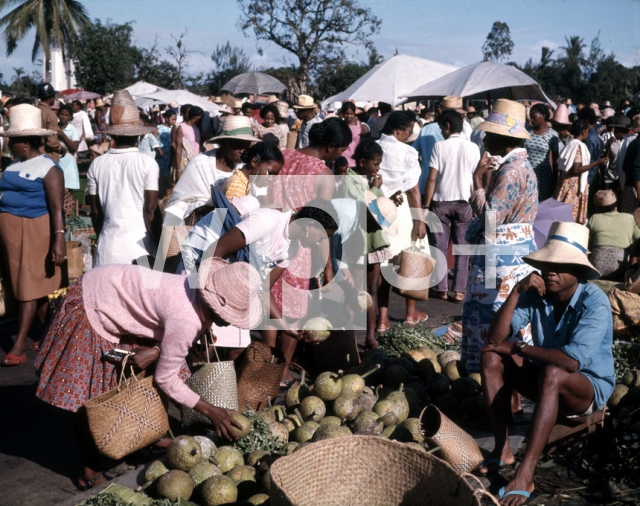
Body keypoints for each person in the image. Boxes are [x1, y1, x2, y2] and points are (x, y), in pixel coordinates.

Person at [35, 257, 264, 489]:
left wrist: (156, 351)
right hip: (94, 300)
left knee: (139, 373)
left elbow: (165, 317)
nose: (231, 323)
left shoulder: (194, 290)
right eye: (232, 316)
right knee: (91, 396)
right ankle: (89, 470)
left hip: (115, 290)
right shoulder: (186, 319)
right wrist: (211, 411)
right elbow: (167, 378)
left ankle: (145, 436)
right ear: (216, 305)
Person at [479, 222, 614, 505]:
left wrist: (519, 347)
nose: (551, 271)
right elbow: (494, 338)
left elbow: (570, 362)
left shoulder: (595, 302)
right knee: (492, 356)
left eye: (561, 265)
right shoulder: (535, 294)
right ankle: (502, 449)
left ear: (578, 270)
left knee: (554, 372)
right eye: (547, 264)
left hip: (584, 390)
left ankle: (525, 474)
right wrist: (516, 291)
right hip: (546, 380)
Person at [268, 117, 351, 383]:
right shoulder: (322, 174)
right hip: (302, 241)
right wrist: (328, 268)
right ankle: (281, 371)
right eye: (340, 150)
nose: (340, 156)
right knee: (295, 309)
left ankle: (265, 366)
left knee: (271, 304)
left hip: (273, 232)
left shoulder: (284, 154)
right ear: (330, 147)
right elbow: (320, 221)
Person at [462, 99, 539, 375]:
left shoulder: (511, 170)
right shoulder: (521, 167)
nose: (484, 139)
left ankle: (503, 392)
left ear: (503, 137)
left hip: (502, 259)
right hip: (514, 254)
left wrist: (478, 182)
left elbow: (492, 219)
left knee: (496, 324)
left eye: (489, 133)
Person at [0, 104, 65, 365]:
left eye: (12, 142)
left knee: (27, 286)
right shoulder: (14, 165)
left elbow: (57, 208)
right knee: (26, 285)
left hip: (34, 230)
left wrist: (58, 239)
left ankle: (19, 345)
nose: (9, 147)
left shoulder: (49, 168)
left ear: (24, 143)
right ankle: (53, 333)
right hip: (10, 232)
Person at [87, 90, 161, 267]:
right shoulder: (147, 163)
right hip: (140, 249)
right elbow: (150, 211)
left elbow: (96, 212)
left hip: (108, 247)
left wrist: (102, 234)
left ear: (112, 134)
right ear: (138, 134)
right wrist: (161, 247)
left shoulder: (97, 164)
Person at [339, 140, 396, 348]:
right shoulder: (349, 181)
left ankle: (370, 336)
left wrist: (389, 199)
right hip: (357, 241)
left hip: (373, 240)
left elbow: (380, 208)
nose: (378, 168)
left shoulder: (371, 179)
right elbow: (362, 209)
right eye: (375, 164)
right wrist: (374, 188)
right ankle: (347, 338)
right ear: (362, 162)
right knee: (354, 291)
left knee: (372, 289)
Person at [376, 110, 427, 329]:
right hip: (403, 210)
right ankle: (410, 313)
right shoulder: (407, 152)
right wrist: (421, 220)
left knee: (381, 265)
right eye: (409, 130)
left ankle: (382, 319)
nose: (410, 135)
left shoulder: (375, 146)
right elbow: (414, 190)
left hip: (377, 210)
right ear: (398, 130)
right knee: (412, 260)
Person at [423, 109, 480, 303]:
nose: (441, 131)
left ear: (447, 126)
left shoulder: (439, 146)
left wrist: (425, 204)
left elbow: (432, 178)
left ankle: (442, 289)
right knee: (462, 247)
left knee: (439, 245)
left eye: (441, 127)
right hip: (464, 202)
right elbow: (475, 177)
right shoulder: (473, 148)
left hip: (441, 201)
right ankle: (460, 290)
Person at [165, 116, 261, 224]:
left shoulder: (244, 168)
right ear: (224, 142)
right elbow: (178, 201)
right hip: (199, 227)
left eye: (246, 146)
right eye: (238, 145)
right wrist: (206, 207)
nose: (243, 151)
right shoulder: (200, 163)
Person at [553, 120, 608, 225]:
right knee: (568, 219)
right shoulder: (578, 147)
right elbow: (576, 169)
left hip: (565, 183)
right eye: (587, 130)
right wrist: (597, 163)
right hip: (573, 186)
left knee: (562, 217)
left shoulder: (570, 143)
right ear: (583, 131)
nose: (587, 132)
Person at [587, 190, 640, 280]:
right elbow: (638, 240)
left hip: (597, 265)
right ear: (616, 205)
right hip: (620, 265)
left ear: (598, 208)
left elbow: (589, 244)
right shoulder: (629, 218)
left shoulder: (594, 218)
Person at [523, 104, 560, 202]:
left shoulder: (552, 135)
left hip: (544, 176)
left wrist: (555, 181)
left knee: (541, 204)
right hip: (527, 174)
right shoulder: (526, 132)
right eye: (530, 117)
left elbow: (556, 159)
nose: (531, 120)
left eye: (534, 117)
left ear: (543, 116)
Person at [413, 103, 444, 206]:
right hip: (448, 190)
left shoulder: (426, 129)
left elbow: (413, 152)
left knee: (428, 219)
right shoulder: (460, 132)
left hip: (425, 185)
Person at [173, 105, 204, 184]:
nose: (201, 120)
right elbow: (178, 149)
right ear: (194, 117)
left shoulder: (196, 129)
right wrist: (178, 170)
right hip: (185, 163)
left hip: (195, 163)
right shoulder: (181, 128)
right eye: (200, 117)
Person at [56, 104, 81, 191]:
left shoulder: (73, 130)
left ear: (70, 117)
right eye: (62, 114)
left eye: (66, 115)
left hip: (68, 163)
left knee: (67, 191)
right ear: (58, 114)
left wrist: (64, 136)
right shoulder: (54, 127)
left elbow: (74, 147)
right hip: (55, 161)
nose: (63, 117)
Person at [36, 82, 61, 162]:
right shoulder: (51, 114)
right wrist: (61, 148)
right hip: (48, 156)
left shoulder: (34, 110)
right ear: (51, 98)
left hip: (34, 153)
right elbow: (52, 142)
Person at [340, 101, 370, 167]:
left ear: (354, 113)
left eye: (351, 113)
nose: (349, 116)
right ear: (342, 114)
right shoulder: (339, 125)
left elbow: (366, 146)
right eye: (346, 113)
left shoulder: (362, 127)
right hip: (341, 162)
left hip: (355, 162)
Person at [620, 115, 640, 214]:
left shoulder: (633, 143)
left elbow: (624, 167)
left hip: (629, 190)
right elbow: (637, 170)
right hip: (636, 191)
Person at [157, 109, 176, 194]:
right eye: (173, 119)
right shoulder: (158, 128)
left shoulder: (174, 129)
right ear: (166, 118)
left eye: (175, 119)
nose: (174, 121)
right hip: (160, 157)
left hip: (170, 156)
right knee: (160, 177)